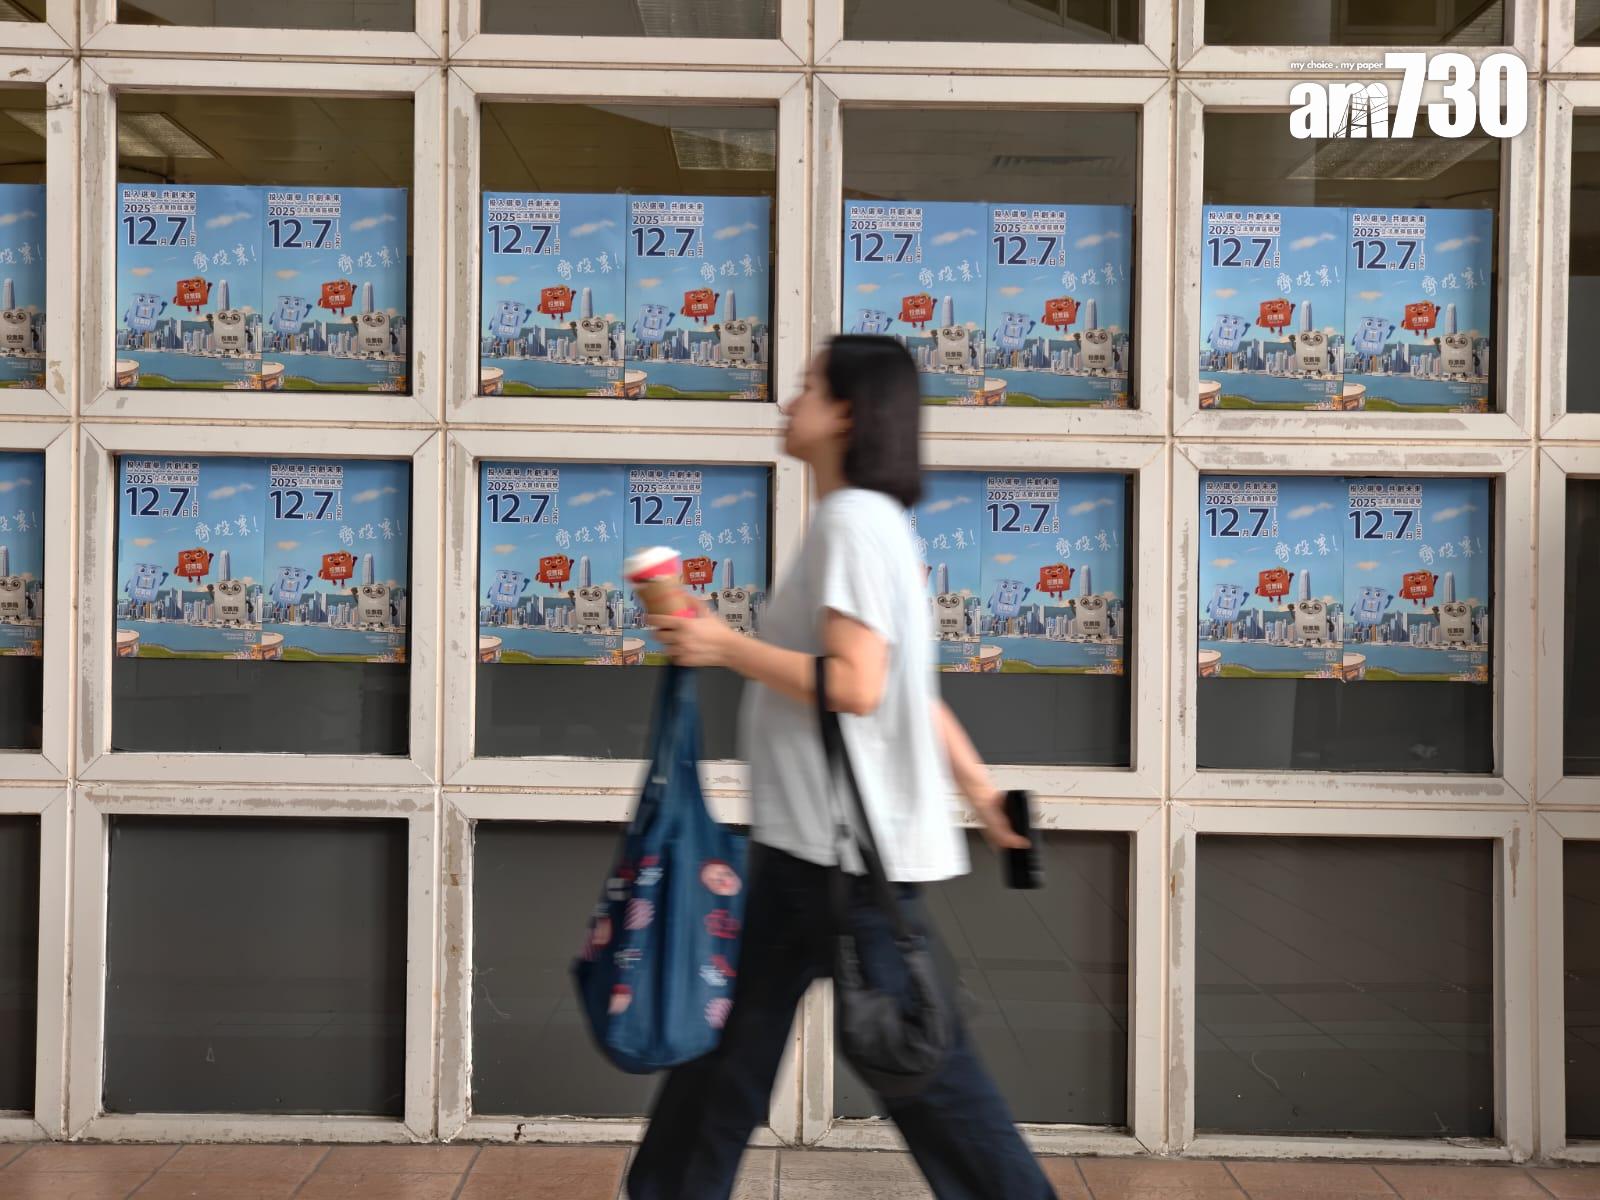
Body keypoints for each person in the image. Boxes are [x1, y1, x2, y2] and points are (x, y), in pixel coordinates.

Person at [628, 335, 1055, 1200]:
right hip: (812, 847)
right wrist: (981, 793)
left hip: (845, 861)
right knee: (724, 1061)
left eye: (808, 389)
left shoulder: (852, 521)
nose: (789, 404)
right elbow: (908, 691)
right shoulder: (870, 521)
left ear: (848, 415)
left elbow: (859, 686)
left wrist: (721, 645)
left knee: (927, 1073)